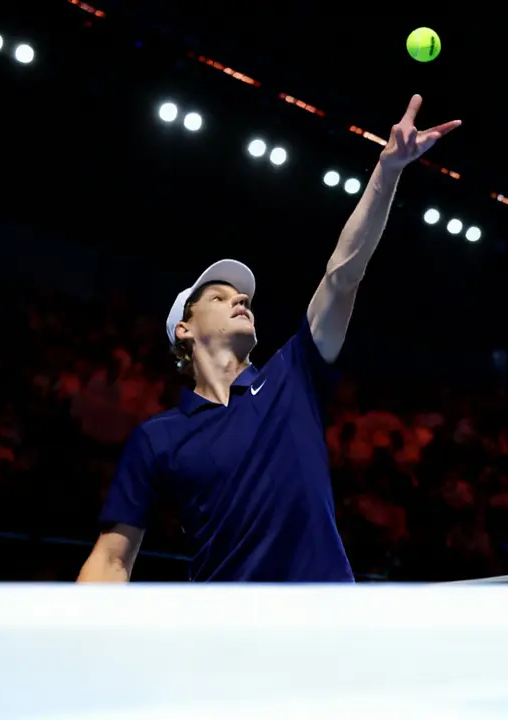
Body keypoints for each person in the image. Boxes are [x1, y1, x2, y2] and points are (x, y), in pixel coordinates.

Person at [77, 95, 460, 582]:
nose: (240, 299)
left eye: (242, 296)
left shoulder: (294, 374)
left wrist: (387, 172)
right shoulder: (158, 439)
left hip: (330, 630)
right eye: (219, 297)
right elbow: (112, 557)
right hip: (233, 645)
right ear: (184, 329)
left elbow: (343, 275)